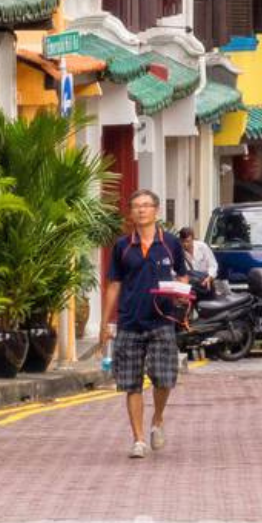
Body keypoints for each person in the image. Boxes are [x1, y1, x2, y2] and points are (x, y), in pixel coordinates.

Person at [102, 189, 188, 459]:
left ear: (156, 211)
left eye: (146, 205)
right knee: (131, 383)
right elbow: (114, 284)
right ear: (130, 212)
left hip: (162, 319)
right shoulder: (122, 246)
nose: (141, 210)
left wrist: (181, 295)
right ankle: (138, 439)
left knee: (164, 378)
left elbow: (182, 276)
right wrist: (106, 322)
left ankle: (158, 418)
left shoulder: (170, 243)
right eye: (136, 206)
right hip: (129, 320)